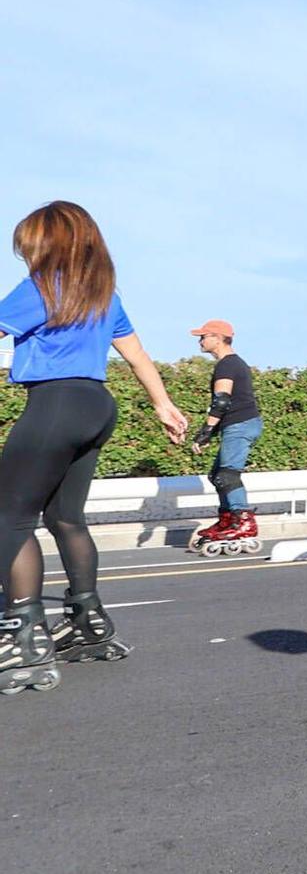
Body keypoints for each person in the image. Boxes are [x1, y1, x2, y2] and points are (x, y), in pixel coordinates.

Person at [1, 202, 189, 692]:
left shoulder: (40, 288)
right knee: (65, 518)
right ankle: (88, 623)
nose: (26, 256)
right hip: (96, 405)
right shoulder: (103, 296)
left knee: (11, 517)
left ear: (48, 244)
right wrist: (164, 405)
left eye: (29, 246)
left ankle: (23, 638)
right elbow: (138, 355)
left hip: (55, 403)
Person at [186, 319, 264, 557]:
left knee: (227, 476)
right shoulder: (231, 363)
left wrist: (206, 430)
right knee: (217, 476)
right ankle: (228, 520)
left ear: (218, 337)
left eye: (203, 336)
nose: (200, 341)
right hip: (238, 424)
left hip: (240, 425)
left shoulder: (227, 365)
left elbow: (222, 400)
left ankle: (243, 522)